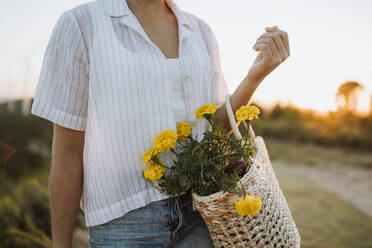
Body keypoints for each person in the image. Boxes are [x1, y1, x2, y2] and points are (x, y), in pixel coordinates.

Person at [30, 0, 290, 247]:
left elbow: (212, 131)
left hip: (202, 215)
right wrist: (60, 244)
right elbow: (67, 149)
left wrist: (253, 78)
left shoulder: (201, 32)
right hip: (124, 225)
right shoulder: (81, 24)